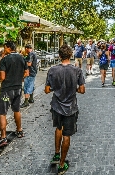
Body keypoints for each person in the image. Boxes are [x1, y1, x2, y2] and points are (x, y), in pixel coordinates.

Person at [45, 44, 85, 175]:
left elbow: (46, 90)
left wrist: (55, 89)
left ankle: (56, 154)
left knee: (58, 128)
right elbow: (82, 90)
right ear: (71, 55)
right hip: (70, 107)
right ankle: (62, 164)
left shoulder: (52, 70)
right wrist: (74, 89)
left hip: (56, 106)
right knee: (66, 135)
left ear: (59, 56)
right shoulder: (77, 70)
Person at [0, 41, 29, 148]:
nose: (4, 50)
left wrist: (0, 77)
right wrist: (19, 78)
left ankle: (3, 137)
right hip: (18, 88)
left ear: (8, 48)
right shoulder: (22, 58)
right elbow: (27, 73)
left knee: (2, 113)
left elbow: (2, 77)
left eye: (5, 48)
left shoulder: (4, 60)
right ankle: (19, 130)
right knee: (17, 110)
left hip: (6, 90)